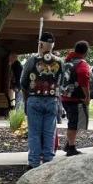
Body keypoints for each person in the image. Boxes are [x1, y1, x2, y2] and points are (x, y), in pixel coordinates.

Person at [21, 32, 63, 168]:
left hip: (34, 99)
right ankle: (48, 162)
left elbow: (23, 82)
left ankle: (33, 163)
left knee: (34, 133)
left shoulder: (32, 61)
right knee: (49, 133)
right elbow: (62, 82)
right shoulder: (59, 62)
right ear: (53, 45)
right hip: (52, 100)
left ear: (40, 44)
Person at [60, 41, 92, 156]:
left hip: (64, 97)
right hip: (76, 98)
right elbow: (84, 82)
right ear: (86, 52)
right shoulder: (82, 64)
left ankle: (69, 144)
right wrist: (87, 97)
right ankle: (71, 148)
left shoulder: (67, 61)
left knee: (72, 121)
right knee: (74, 123)